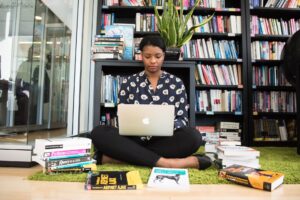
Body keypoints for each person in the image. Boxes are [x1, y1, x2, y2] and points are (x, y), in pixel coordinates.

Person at [91, 35, 212, 170]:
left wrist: (164, 127)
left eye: (158, 56)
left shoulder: (176, 83)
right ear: (141, 55)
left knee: (193, 137)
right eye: (147, 57)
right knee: (99, 132)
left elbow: (182, 119)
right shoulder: (129, 83)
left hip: (165, 141)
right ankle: (168, 163)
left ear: (164, 55)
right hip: (133, 140)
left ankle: (120, 158)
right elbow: (122, 119)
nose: (153, 61)